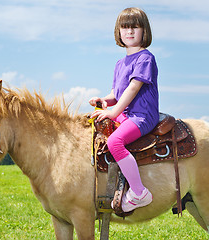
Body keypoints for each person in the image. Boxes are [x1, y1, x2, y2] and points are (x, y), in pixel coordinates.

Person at [89, 7, 159, 212]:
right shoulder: (120, 63)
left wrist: (112, 111)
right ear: (118, 32)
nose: (129, 32)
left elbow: (133, 87)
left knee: (115, 142)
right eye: (125, 27)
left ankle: (139, 192)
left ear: (144, 31)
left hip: (142, 115)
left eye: (135, 27)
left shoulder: (145, 58)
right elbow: (117, 92)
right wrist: (104, 100)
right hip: (126, 112)